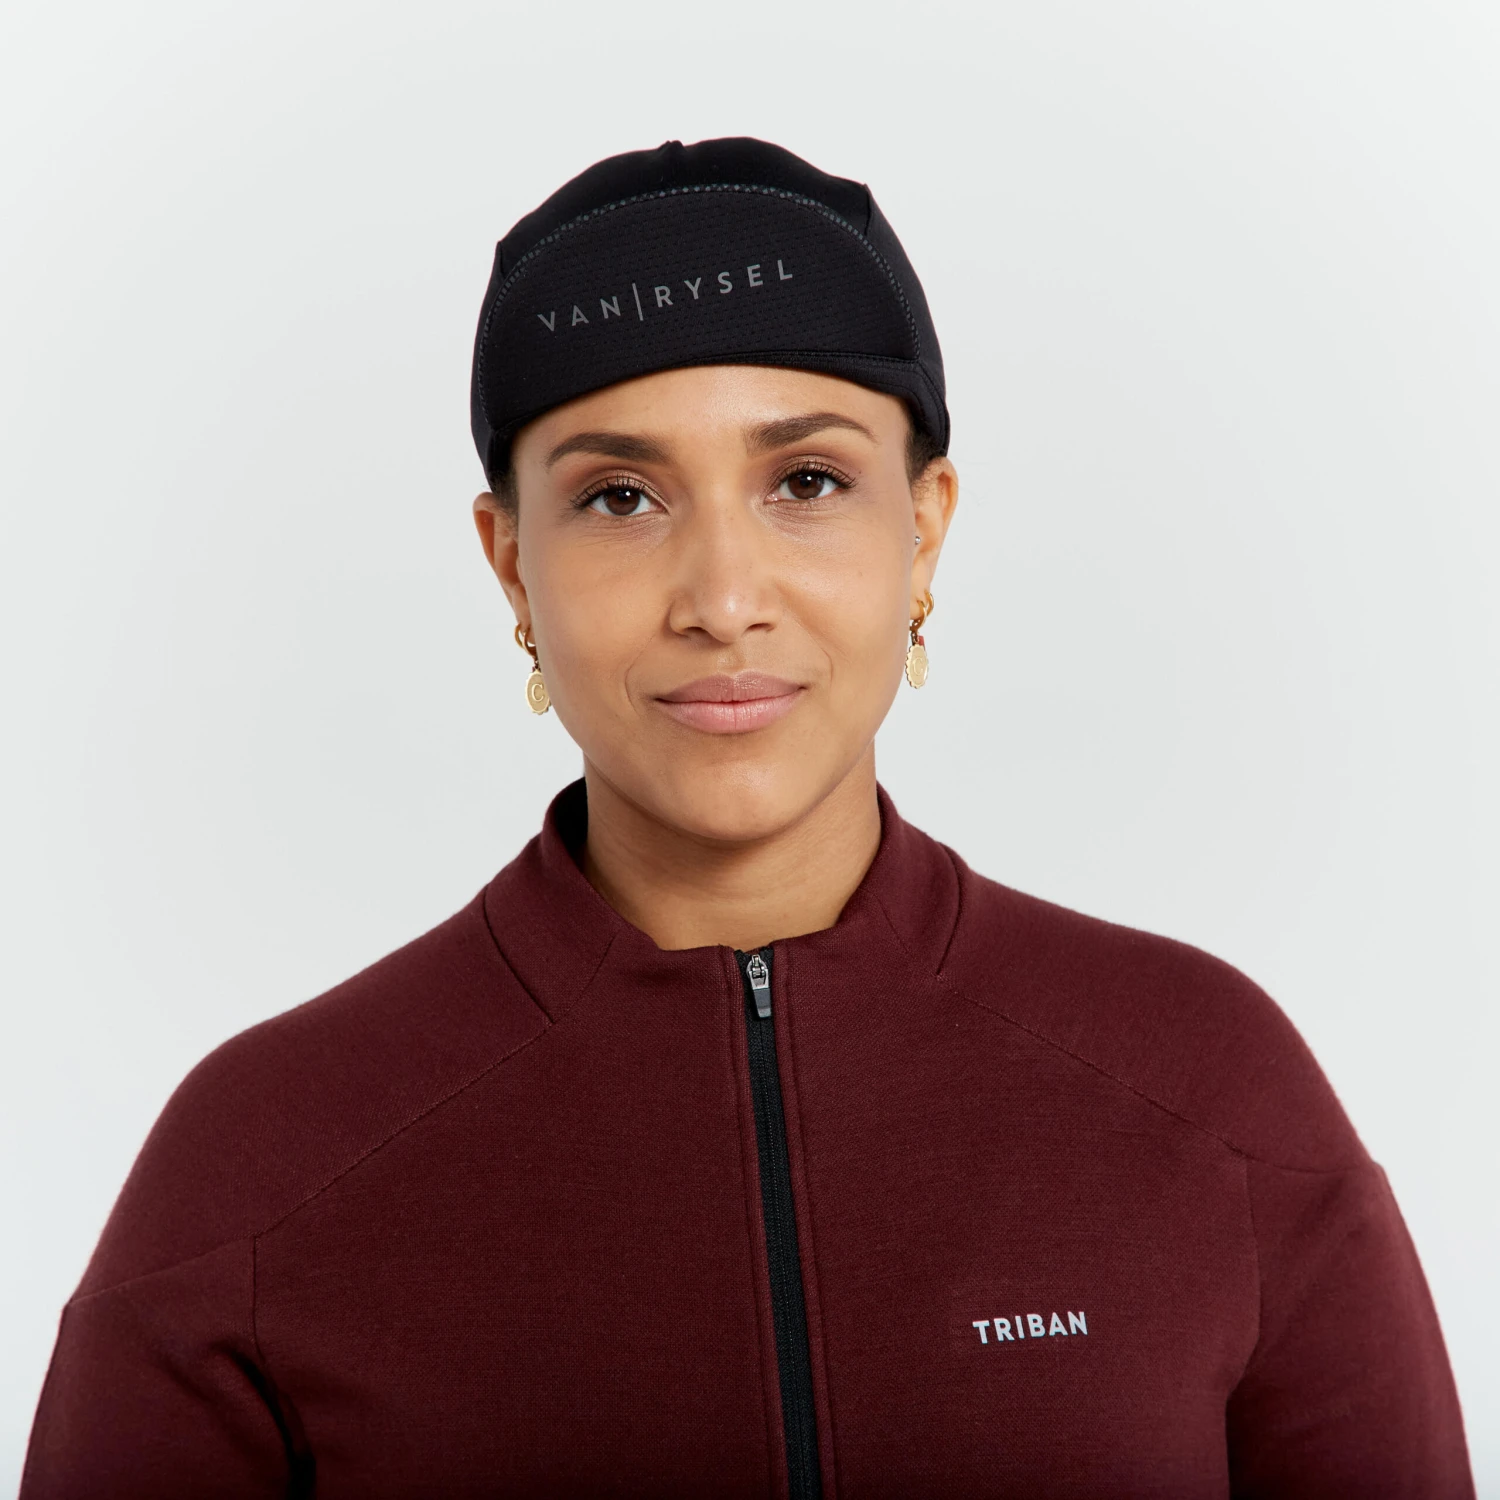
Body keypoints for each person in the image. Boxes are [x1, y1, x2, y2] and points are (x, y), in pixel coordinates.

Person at [22, 137, 1473, 1499]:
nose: (722, 600)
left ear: (924, 528)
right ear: (511, 564)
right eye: (619, 499)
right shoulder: (263, 1160)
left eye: (807, 481)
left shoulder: (1209, 1088)